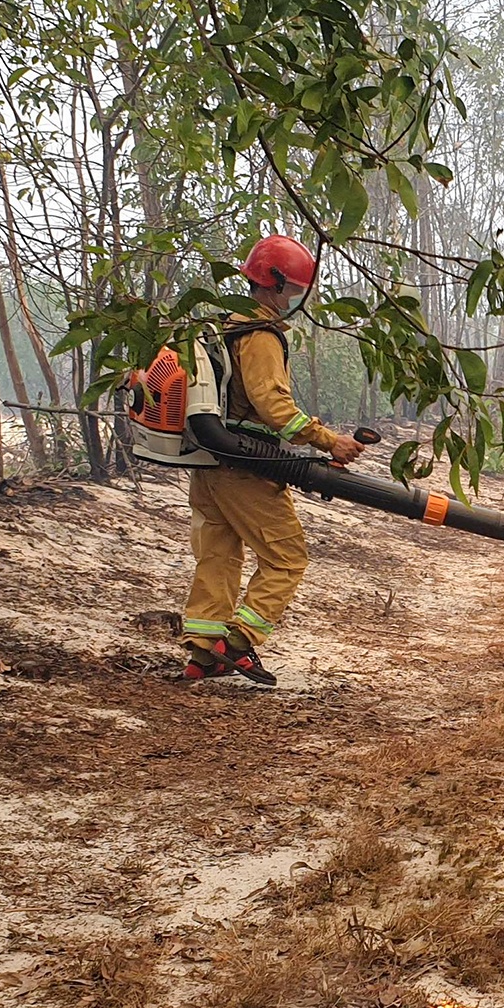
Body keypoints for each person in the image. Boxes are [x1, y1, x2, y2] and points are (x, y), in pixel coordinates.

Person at [180, 235, 364, 686]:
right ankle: (237, 644)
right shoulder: (259, 335)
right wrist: (327, 441)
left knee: (218, 556)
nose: (296, 299)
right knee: (287, 558)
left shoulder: (223, 326)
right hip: (246, 464)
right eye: (294, 290)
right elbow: (273, 407)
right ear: (274, 284)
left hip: (210, 461)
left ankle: (201, 656)